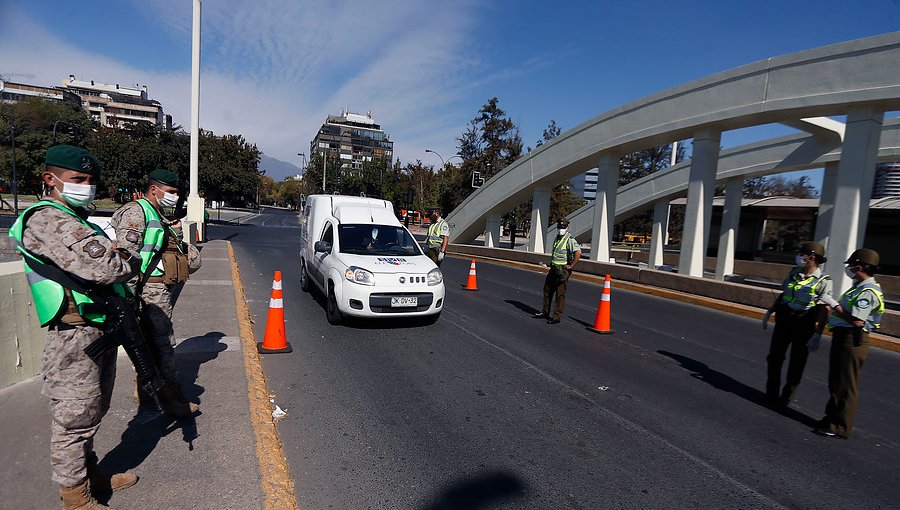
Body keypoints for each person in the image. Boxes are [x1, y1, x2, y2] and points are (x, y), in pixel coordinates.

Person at [8, 145, 141, 509]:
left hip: (97, 328)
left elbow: (106, 259)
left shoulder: (76, 217)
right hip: (73, 336)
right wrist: (124, 254)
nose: (86, 186)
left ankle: (89, 475)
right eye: (77, 179)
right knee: (74, 419)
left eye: (90, 181)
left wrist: (117, 253)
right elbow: (108, 268)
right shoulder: (49, 218)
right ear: (50, 180)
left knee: (92, 412)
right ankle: (74, 497)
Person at [110, 169, 201, 418]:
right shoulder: (137, 212)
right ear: (154, 189)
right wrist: (132, 290)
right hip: (146, 287)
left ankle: (147, 389)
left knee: (151, 340)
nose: (174, 196)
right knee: (163, 342)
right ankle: (171, 398)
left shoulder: (156, 214)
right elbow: (125, 255)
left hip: (155, 286)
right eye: (170, 192)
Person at [814, 248, 884, 439]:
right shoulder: (859, 287)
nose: (849, 270)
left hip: (853, 338)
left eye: (851, 266)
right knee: (836, 381)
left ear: (859, 266)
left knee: (846, 384)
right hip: (843, 337)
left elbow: (857, 321)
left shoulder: (868, 291)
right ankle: (831, 418)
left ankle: (841, 426)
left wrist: (834, 305)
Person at [761, 241, 833, 407]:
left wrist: (818, 334)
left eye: (802, 253)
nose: (799, 256)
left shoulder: (824, 281)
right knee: (774, 358)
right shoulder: (794, 273)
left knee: (797, 361)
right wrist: (769, 312)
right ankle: (771, 394)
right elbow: (783, 295)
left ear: (811, 257)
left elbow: (824, 310)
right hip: (784, 319)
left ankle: (786, 397)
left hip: (804, 323)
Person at [533, 218, 582, 324]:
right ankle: (545, 312)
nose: (561, 229)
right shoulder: (557, 238)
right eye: (559, 227)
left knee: (560, 294)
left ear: (567, 228)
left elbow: (578, 252)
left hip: (562, 271)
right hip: (554, 268)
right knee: (547, 290)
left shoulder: (569, 239)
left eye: (563, 227)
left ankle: (556, 317)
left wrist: (571, 265)